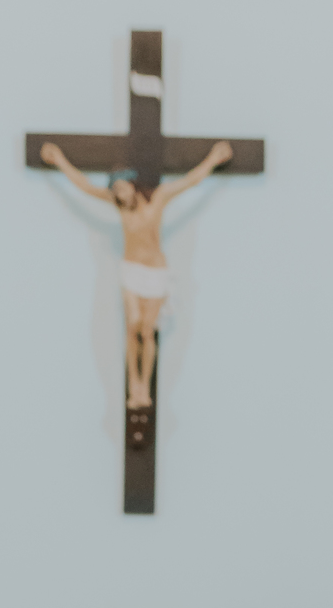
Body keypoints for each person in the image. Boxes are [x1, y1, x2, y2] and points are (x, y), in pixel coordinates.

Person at [40, 138, 233, 409]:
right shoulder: (119, 208)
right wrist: (60, 160)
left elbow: (190, 181)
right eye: (115, 191)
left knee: (147, 329)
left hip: (155, 272)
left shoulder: (158, 199)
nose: (120, 194)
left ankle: (145, 385)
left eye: (122, 187)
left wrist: (213, 159)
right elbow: (85, 187)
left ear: (132, 184)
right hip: (131, 270)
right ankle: (135, 386)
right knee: (132, 326)